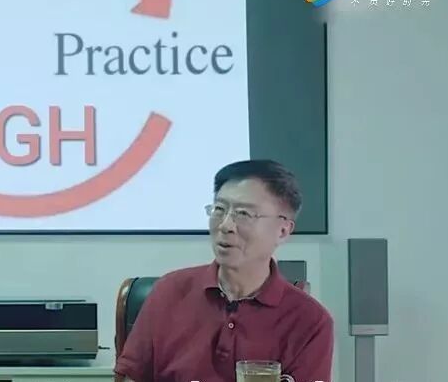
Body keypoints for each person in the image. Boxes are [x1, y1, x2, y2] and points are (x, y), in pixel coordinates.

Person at [114, 159, 333, 382]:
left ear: (283, 231)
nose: (225, 225)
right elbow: (131, 376)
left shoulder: (310, 321)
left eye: (244, 214)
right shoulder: (169, 291)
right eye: (219, 209)